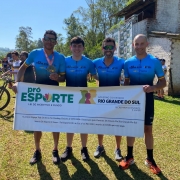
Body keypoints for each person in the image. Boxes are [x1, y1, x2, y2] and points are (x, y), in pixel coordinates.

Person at [12, 30, 66, 165]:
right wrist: (17, 82)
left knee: (55, 123)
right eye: (48, 39)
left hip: (54, 94)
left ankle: (55, 150)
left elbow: (63, 77)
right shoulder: (35, 53)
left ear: (56, 42)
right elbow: (22, 68)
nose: (50, 42)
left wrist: (58, 77)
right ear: (43, 39)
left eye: (53, 40)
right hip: (38, 93)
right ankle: (37, 150)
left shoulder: (60, 57)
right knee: (37, 124)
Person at [119, 34, 166, 175]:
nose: (138, 47)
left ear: (147, 44)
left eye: (141, 44)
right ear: (133, 45)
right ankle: (129, 157)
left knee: (147, 129)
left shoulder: (154, 61)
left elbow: (163, 82)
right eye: (136, 44)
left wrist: (152, 88)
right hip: (133, 100)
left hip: (148, 99)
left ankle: (150, 159)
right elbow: (126, 83)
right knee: (131, 128)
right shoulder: (128, 63)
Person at [60, 36, 96, 161]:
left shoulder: (88, 62)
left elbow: (97, 77)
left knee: (83, 123)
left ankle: (84, 148)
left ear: (83, 48)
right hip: (69, 97)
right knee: (70, 122)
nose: (77, 48)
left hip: (84, 97)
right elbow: (62, 78)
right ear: (70, 47)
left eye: (79, 46)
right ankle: (68, 148)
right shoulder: (64, 61)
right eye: (74, 46)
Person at [93, 37, 124, 161]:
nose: (108, 49)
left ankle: (117, 149)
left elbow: (128, 76)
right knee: (100, 123)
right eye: (106, 47)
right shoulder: (95, 62)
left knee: (117, 124)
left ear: (115, 48)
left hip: (116, 98)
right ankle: (100, 146)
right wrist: (98, 78)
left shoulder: (121, 62)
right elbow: (89, 71)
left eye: (111, 47)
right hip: (101, 98)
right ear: (102, 48)